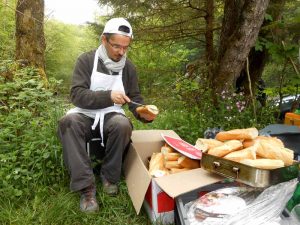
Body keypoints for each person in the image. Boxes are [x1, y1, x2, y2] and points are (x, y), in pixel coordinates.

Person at [57, 18, 156, 213]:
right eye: (116, 46)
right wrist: (108, 96)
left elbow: (134, 98)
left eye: (125, 47)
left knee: (122, 124)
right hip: (83, 114)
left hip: (111, 115)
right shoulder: (86, 60)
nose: (121, 52)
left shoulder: (129, 68)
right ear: (104, 40)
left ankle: (109, 177)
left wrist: (143, 113)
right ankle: (86, 187)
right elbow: (76, 95)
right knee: (68, 122)